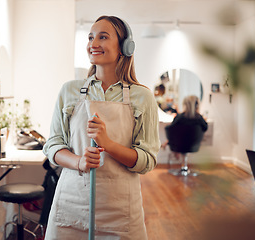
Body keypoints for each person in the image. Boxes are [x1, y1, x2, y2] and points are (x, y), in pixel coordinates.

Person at [42, 15, 160, 239]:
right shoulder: (69, 91)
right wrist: (79, 162)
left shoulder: (142, 97)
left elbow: (148, 160)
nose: (93, 44)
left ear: (125, 47)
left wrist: (109, 145)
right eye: (90, 37)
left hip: (121, 211)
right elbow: (53, 145)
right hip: (71, 204)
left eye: (103, 37)